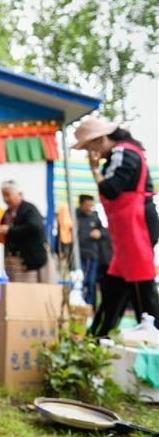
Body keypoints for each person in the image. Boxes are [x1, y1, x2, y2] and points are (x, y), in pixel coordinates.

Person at [73, 117, 159, 338]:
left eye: (88, 146)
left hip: (136, 223)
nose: (89, 152)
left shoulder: (122, 152)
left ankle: (151, 328)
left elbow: (111, 189)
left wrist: (95, 170)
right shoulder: (119, 154)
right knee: (115, 284)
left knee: (141, 280)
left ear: (100, 140)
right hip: (126, 229)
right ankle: (99, 334)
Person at [0, 181, 49, 283]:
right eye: (3, 196)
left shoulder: (29, 209)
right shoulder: (7, 213)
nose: (5, 199)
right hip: (12, 262)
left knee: (28, 292)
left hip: (28, 263)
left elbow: (35, 227)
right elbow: (6, 233)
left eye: (8, 195)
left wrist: (9, 230)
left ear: (19, 194)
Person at [76, 194, 106, 306]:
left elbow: (104, 232)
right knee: (79, 281)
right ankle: (78, 304)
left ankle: (90, 306)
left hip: (92, 255)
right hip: (78, 254)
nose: (89, 208)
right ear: (81, 204)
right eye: (87, 205)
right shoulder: (74, 216)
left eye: (91, 205)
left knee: (91, 282)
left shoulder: (95, 216)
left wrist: (99, 233)